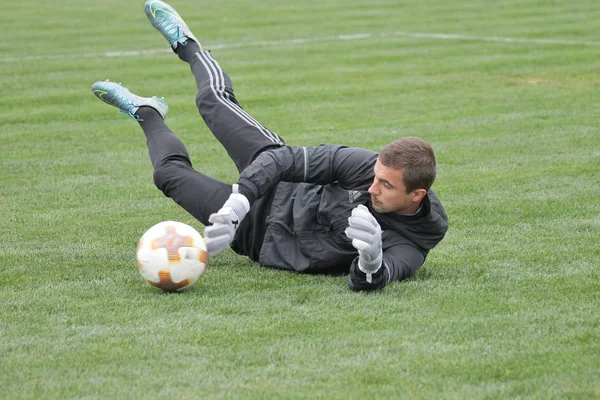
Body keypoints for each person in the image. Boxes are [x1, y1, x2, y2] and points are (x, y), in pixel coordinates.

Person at [91, 0, 448, 291]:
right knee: (212, 100)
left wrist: (371, 262)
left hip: (256, 237)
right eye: (376, 176)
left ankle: (147, 113)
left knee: (167, 174)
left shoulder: (413, 244)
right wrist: (238, 202)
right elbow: (285, 160)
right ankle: (188, 46)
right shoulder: (364, 165)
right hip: (275, 177)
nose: (373, 188)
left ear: (416, 196)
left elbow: (374, 279)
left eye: (386, 185)